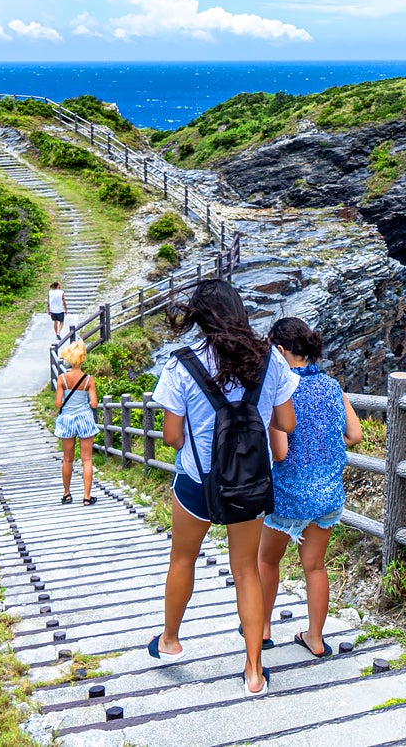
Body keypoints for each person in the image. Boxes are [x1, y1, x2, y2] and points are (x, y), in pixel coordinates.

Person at [148, 280, 298, 697]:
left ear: (199, 317)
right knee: (246, 570)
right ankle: (253, 672)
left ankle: (170, 642)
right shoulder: (273, 362)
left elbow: (173, 437)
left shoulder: (181, 364)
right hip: (249, 484)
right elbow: (286, 424)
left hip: (198, 482)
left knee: (182, 559)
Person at [257, 317, 362, 659]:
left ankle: (262, 629)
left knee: (266, 560)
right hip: (327, 495)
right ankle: (315, 639)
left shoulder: (279, 390)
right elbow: (355, 435)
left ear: (281, 350)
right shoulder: (333, 387)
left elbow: (281, 452)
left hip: (289, 495)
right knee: (314, 566)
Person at [53, 339, 99, 505]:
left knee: (67, 459)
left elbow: (58, 403)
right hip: (84, 419)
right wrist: (85, 403)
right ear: (82, 358)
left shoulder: (62, 379)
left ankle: (67, 494)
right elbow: (94, 404)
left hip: (67, 420)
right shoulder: (88, 380)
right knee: (87, 459)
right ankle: (87, 497)